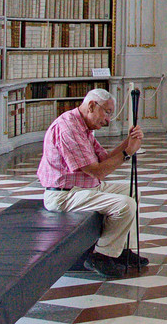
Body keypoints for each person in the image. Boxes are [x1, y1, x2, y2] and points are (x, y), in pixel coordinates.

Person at [38, 88, 145, 279]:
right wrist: (128, 153)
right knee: (125, 205)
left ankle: (120, 250)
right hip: (64, 194)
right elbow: (97, 171)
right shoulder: (68, 128)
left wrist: (128, 142)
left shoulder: (82, 126)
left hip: (83, 187)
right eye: (107, 112)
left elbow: (103, 158)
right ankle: (101, 255)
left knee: (131, 191)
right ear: (92, 106)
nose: (108, 120)